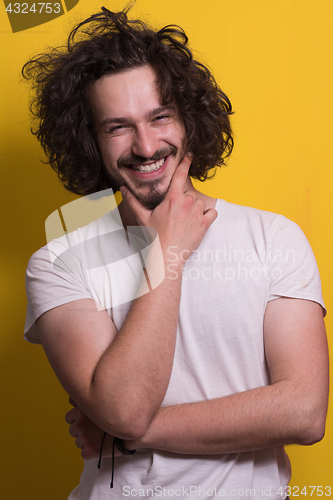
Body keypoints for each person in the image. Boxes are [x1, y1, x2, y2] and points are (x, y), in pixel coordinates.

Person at [23, 6, 329, 500]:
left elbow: (304, 411)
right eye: (117, 127)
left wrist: (126, 434)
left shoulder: (273, 237)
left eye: (159, 117)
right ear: (90, 141)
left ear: (188, 118)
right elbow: (124, 406)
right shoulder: (60, 262)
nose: (146, 146)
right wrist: (167, 251)